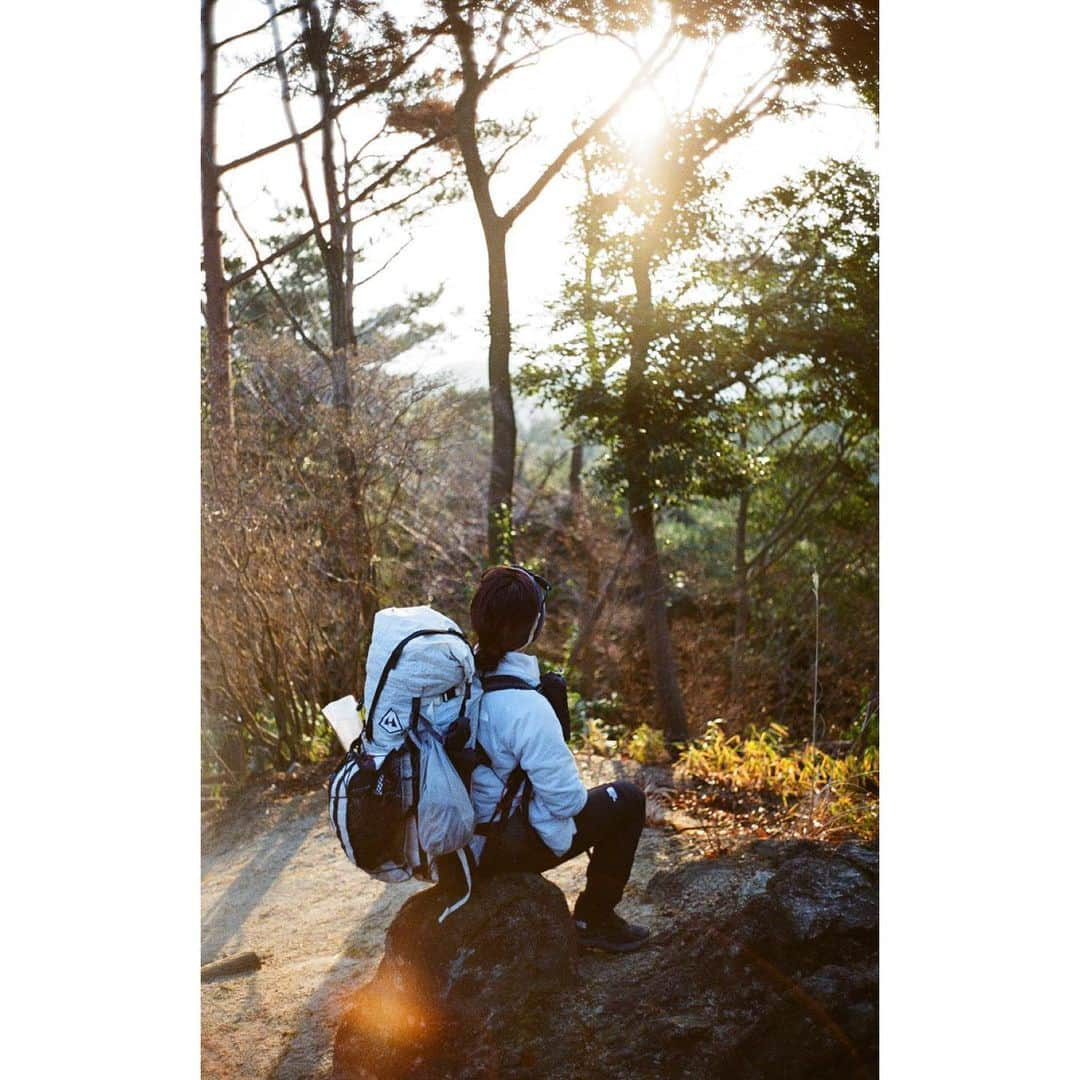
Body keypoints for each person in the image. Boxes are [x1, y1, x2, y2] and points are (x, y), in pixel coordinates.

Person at [465, 563, 650, 953]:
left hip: (457, 846)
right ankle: (595, 918)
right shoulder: (526, 706)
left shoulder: (454, 684)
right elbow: (567, 801)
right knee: (627, 799)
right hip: (502, 849)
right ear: (532, 628)